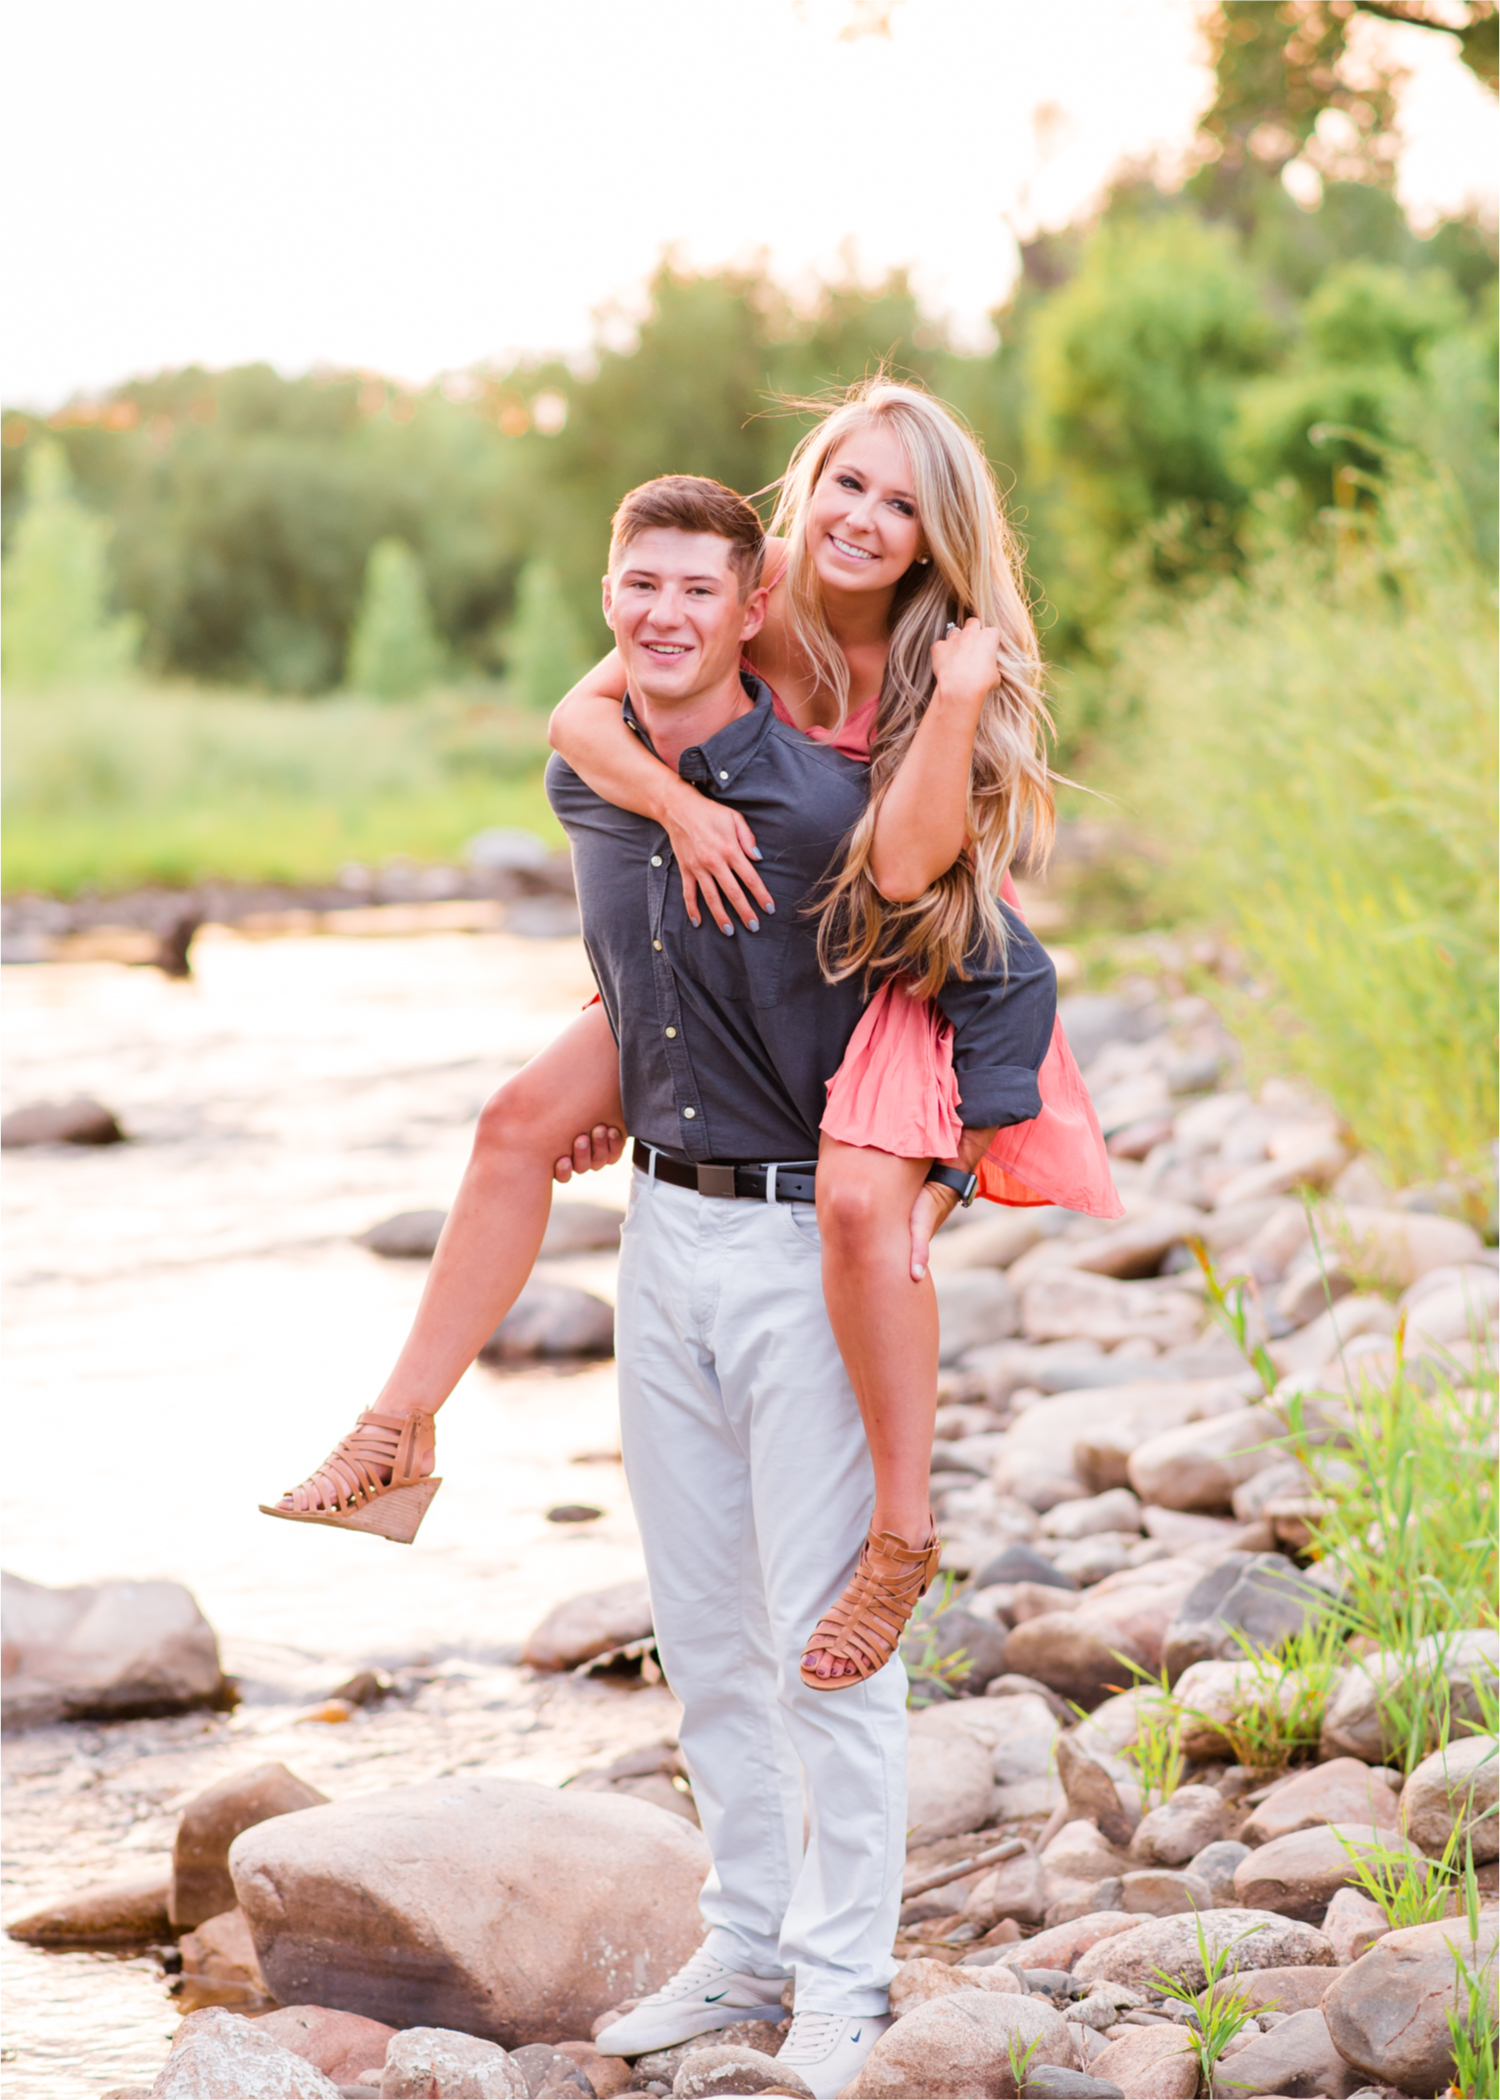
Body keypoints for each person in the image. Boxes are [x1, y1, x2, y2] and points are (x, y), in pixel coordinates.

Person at [261, 379, 1115, 1686]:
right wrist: (677, 808)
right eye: (849, 483)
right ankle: (395, 1426)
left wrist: (949, 706)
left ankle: (899, 1531)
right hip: (738, 956)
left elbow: (904, 870)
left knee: (853, 1207)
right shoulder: (744, 585)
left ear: (937, 536)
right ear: (810, 484)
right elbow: (574, 721)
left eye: (902, 504)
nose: (866, 518)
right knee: (515, 1123)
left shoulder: (945, 658)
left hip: (893, 965)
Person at [547, 474, 1055, 2096]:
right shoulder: (610, 760)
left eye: (699, 590)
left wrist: (965, 1139)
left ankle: (844, 1986)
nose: (665, 615)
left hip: (796, 1243)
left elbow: (997, 953)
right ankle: (747, 1942)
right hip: (658, 1232)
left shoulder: (837, 794)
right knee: (704, 1633)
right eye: (640, 588)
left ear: (751, 600)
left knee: (824, 1643)